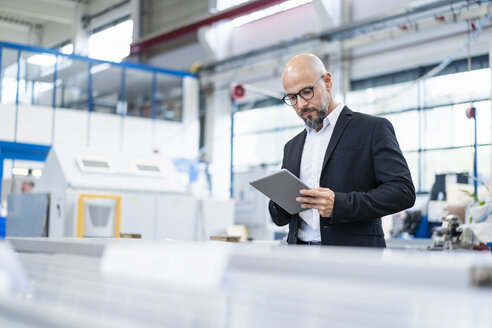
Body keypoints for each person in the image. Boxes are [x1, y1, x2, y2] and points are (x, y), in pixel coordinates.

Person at [268, 53, 415, 247]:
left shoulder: (371, 129)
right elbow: (280, 218)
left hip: (353, 258)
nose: (301, 104)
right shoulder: (292, 147)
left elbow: (402, 191)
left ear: (327, 82)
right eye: (292, 98)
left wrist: (340, 204)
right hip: (299, 256)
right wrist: (279, 201)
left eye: (306, 92)